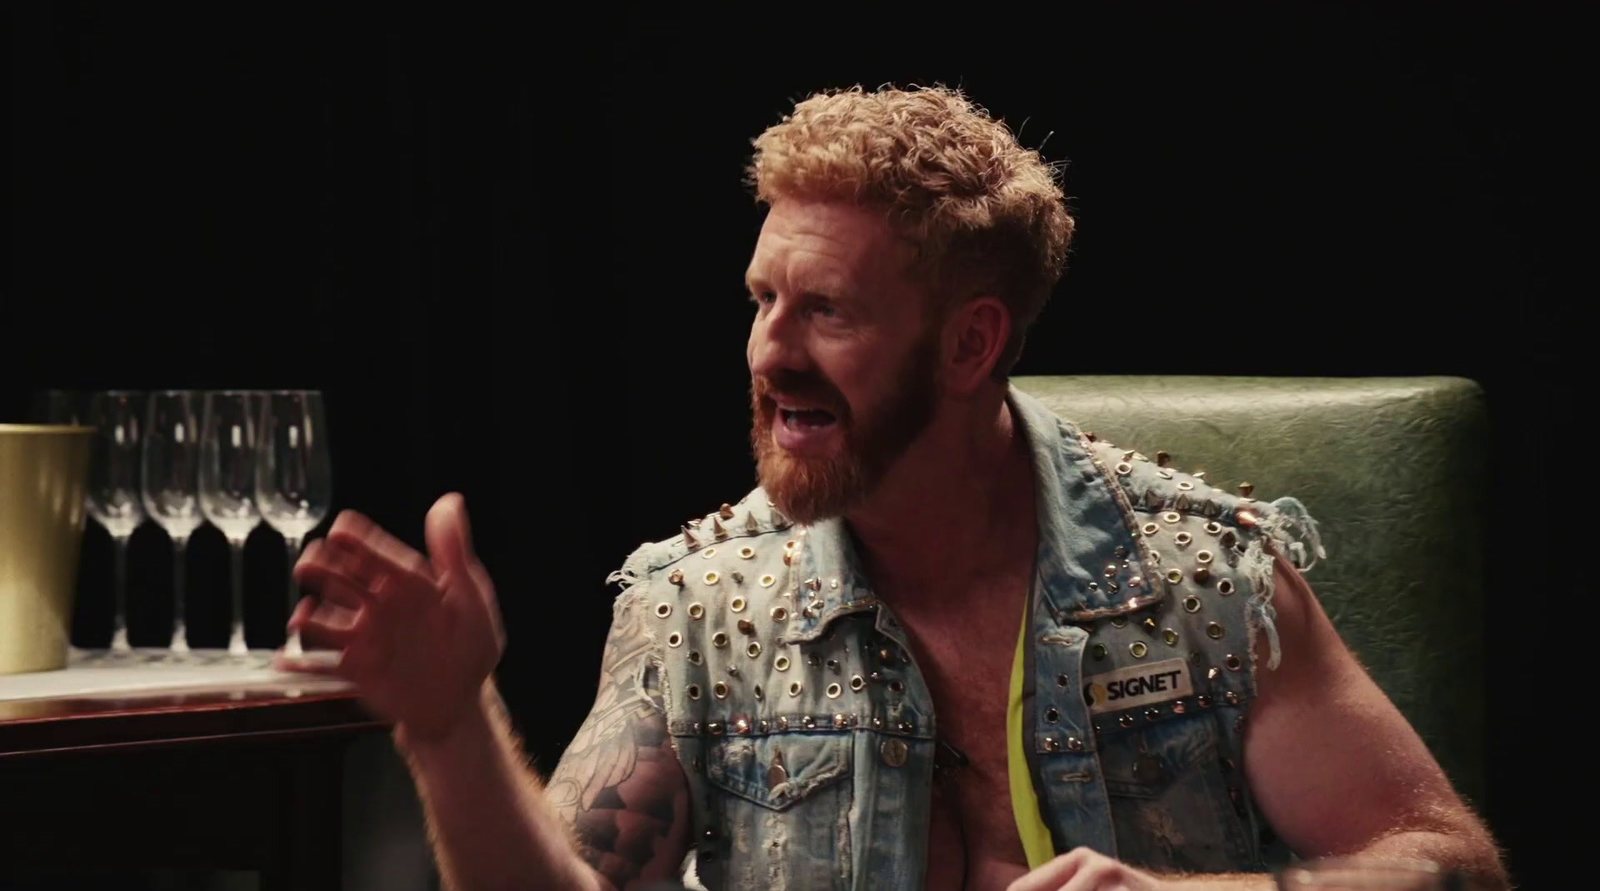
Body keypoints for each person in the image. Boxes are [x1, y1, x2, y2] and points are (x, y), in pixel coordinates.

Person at [279, 85, 1508, 891]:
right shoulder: (698, 607)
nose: (769, 352)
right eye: (762, 300)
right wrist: (445, 726)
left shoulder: (1201, 580)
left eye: (827, 311)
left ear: (971, 345)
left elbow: (1447, 862)